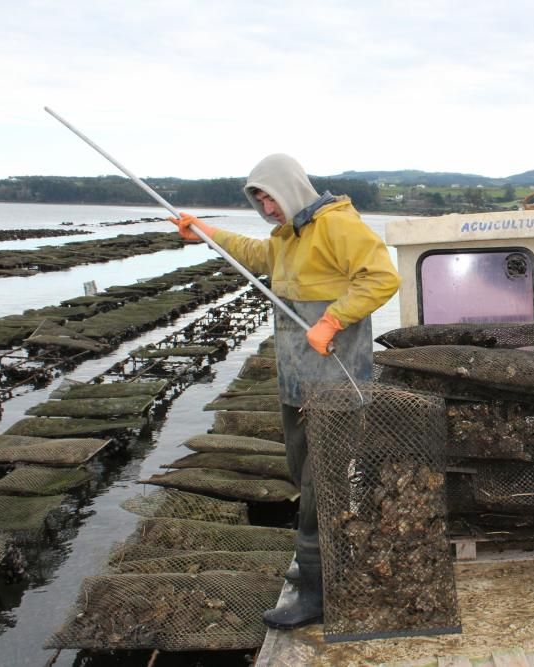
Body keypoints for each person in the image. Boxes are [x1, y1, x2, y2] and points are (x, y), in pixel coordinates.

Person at [169, 153, 401, 629]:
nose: (266, 209)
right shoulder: (288, 236)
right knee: (301, 473)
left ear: (290, 188)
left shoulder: (338, 225)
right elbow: (257, 256)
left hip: (335, 383)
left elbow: (382, 278)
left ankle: (317, 593)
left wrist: (333, 319)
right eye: (257, 200)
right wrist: (207, 233)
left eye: (269, 197)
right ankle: (324, 563)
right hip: (297, 383)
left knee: (321, 485)